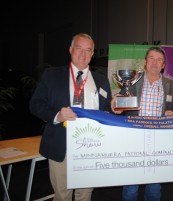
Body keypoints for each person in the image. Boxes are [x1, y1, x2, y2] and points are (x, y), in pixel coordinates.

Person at [30, 33, 112, 201]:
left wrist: (114, 108)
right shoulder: (52, 75)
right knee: (62, 195)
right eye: (79, 48)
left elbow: (106, 112)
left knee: (85, 195)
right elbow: (35, 104)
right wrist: (57, 115)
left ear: (92, 54)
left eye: (88, 50)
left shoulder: (102, 80)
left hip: (91, 146)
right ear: (70, 50)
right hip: (62, 144)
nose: (83, 54)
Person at [111, 46, 173, 201]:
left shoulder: (172, 86)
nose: (154, 63)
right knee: (130, 187)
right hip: (134, 141)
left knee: (155, 188)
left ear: (163, 65)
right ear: (145, 61)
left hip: (158, 142)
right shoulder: (132, 80)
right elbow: (120, 106)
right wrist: (115, 105)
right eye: (151, 58)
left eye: (159, 60)